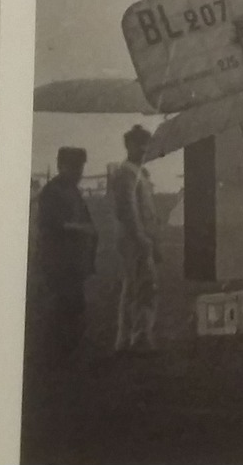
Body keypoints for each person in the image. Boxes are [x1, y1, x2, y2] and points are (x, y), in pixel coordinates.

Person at [36, 147, 98, 364]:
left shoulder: (73, 191)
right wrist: (81, 228)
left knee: (75, 305)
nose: (79, 172)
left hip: (74, 261)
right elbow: (52, 224)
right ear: (61, 166)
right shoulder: (51, 192)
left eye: (80, 168)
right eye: (74, 168)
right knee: (61, 306)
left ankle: (69, 352)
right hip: (58, 260)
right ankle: (55, 355)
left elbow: (85, 219)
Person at [110, 124, 161, 352]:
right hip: (133, 240)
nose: (143, 149)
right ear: (129, 145)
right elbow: (128, 210)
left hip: (142, 238)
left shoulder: (140, 172)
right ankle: (131, 338)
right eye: (139, 144)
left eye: (146, 145)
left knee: (143, 286)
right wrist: (141, 237)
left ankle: (136, 336)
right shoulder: (126, 173)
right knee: (137, 287)